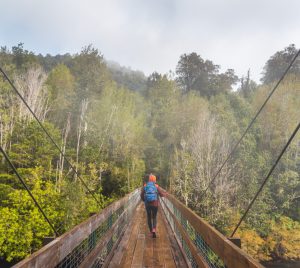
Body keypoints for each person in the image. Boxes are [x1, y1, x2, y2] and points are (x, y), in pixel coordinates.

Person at [140, 173, 166, 238]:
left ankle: (151, 231)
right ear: (154, 180)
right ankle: (154, 230)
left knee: (149, 217)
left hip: (147, 204)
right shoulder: (156, 186)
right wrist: (165, 194)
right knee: (154, 217)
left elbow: (141, 195)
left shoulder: (145, 186)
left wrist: (144, 200)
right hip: (155, 204)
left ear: (149, 179)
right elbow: (161, 194)